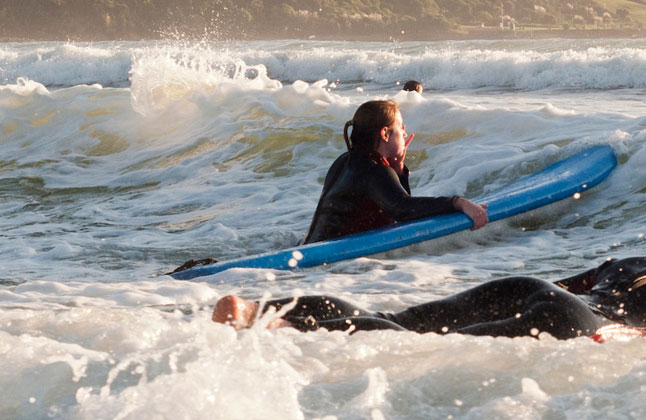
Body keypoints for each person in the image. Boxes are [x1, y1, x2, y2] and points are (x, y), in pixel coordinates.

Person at [211, 257, 646, 341]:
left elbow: (564, 287)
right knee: (417, 342)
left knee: (398, 320)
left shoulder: (626, 262)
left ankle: (258, 309)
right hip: (577, 322)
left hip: (529, 286)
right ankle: (286, 327)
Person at [302, 100, 488, 244]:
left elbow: (398, 205)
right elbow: (404, 210)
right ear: (385, 134)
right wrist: (458, 203)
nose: (404, 132)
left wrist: (398, 170)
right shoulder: (374, 170)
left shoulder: (344, 161)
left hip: (311, 247)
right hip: (331, 261)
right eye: (400, 126)